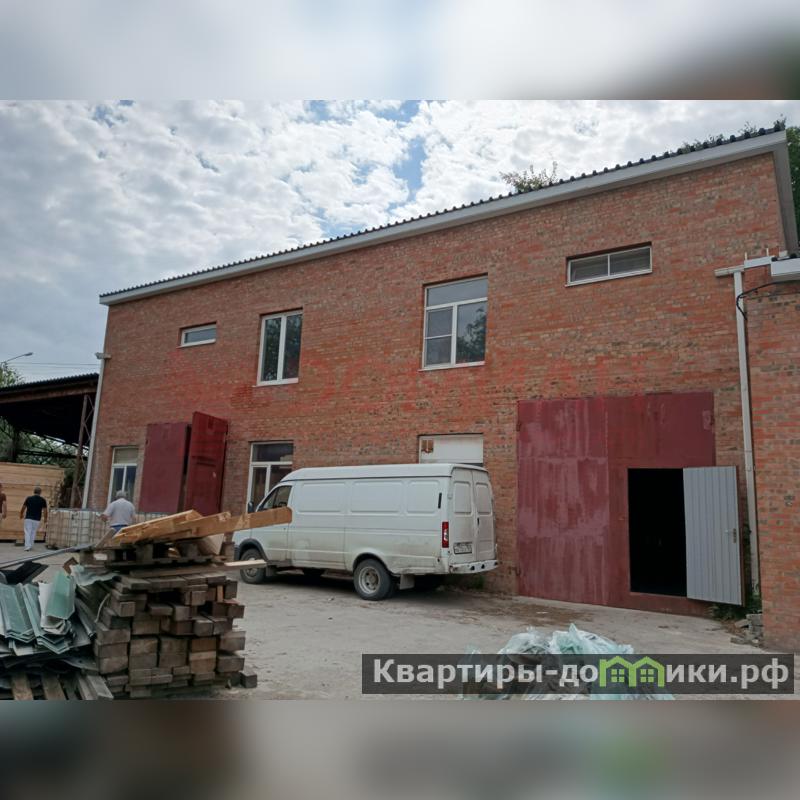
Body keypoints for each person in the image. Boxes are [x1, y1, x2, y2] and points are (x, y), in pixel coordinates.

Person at [19, 485, 48, 551]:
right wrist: (45, 519)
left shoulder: (29, 498)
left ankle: (27, 546)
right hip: (37, 519)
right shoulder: (43, 500)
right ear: (40, 492)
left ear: (34, 491)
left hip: (28, 518)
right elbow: (45, 511)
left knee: (27, 532)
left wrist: (21, 514)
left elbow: (23, 507)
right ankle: (31, 545)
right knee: (33, 532)